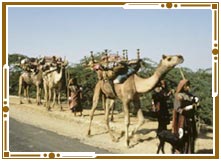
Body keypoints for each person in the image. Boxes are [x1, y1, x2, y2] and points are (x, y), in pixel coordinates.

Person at [172, 79, 199, 153]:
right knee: (182, 137)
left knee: (190, 137)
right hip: (182, 120)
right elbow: (177, 109)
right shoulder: (178, 96)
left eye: (189, 86)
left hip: (190, 119)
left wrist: (195, 101)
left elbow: (196, 105)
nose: (188, 88)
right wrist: (186, 108)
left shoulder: (190, 95)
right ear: (183, 87)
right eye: (187, 86)